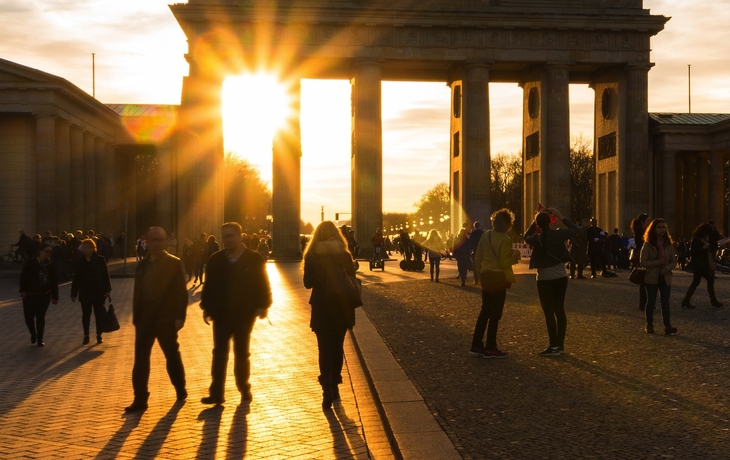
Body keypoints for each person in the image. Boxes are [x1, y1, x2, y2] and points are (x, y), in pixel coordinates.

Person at [200, 222, 272, 405]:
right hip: (221, 314)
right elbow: (209, 287)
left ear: (240, 237)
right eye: (225, 236)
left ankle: (244, 388)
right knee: (219, 353)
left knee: (242, 353)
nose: (227, 240)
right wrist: (206, 308)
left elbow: (263, 283)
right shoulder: (215, 260)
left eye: (231, 235)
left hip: (244, 314)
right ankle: (216, 393)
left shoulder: (254, 259)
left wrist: (264, 305)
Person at [124, 227, 189, 413]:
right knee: (141, 359)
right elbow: (138, 291)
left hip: (165, 317)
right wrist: (136, 317)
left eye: (161, 239)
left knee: (171, 355)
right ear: (146, 242)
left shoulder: (174, 263)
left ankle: (180, 388)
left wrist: (179, 316)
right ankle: (140, 399)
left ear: (166, 241)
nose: (158, 243)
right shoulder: (142, 265)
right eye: (154, 240)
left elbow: (181, 292)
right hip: (145, 317)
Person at [303, 221, 360, 408]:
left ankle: (326, 385)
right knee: (337, 346)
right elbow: (352, 275)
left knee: (324, 348)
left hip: (321, 305)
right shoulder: (343, 254)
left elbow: (307, 283)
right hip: (341, 305)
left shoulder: (312, 255)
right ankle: (335, 385)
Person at [525, 208, 579, 356]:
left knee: (549, 312)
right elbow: (575, 229)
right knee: (560, 310)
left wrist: (534, 220)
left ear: (538, 224)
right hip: (560, 276)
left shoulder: (537, 238)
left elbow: (526, 236)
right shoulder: (558, 234)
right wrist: (561, 216)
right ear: (550, 221)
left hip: (544, 278)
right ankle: (560, 345)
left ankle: (553, 345)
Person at [470, 209, 520, 358]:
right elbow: (504, 262)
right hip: (498, 277)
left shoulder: (486, 235)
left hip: (486, 275)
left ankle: (476, 344)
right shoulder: (505, 239)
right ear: (508, 224)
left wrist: (478, 276)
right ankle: (491, 346)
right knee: (495, 314)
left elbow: (478, 256)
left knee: (485, 311)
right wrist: (515, 256)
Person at [640, 219, 678, 335]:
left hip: (665, 276)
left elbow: (673, 261)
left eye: (663, 227)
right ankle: (649, 325)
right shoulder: (648, 244)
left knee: (665, 302)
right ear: (653, 229)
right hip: (651, 277)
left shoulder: (668, 244)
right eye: (659, 227)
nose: (662, 229)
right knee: (651, 302)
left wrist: (666, 269)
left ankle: (667, 326)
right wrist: (657, 263)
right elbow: (643, 262)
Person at [71, 239, 112, 345]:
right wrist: (74, 292)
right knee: (86, 315)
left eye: (87, 247)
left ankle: (99, 335)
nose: (84, 250)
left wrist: (107, 289)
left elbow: (105, 275)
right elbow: (76, 278)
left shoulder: (100, 260)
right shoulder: (79, 262)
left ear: (93, 248)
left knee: (98, 314)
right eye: (83, 248)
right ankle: (86, 335)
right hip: (85, 291)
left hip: (98, 291)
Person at [19, 243, 59, 346]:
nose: (49, 253)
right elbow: (23, 276)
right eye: (46, 251)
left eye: (50, 251)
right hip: (30, 294)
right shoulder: (31, 263)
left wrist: (55, 296)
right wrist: (22, 290)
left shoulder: (51, 265)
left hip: (44, 294)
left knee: (40, 317)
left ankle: (40, 339)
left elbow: (54, 281)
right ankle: (33, 333)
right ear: (40, 252)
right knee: (28, 317)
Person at [681, 223, 723, 309]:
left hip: (701, 264)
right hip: (699, 264)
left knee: (695, 282)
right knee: (710, 279)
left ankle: (686, 300)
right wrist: (704, 247)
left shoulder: (701, 239)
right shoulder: (697, 239)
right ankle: (713, 300)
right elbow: (693, 252)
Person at [631, 214, 650, 310]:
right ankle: (644, 303)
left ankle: (645, 302)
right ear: (642, 222)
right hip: (643, 256)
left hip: (642, 255)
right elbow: (642, 244)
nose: (649, 222)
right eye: (647, 221)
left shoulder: (639, 230)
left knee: (645, 280)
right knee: (645, 280)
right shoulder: (640, 231)